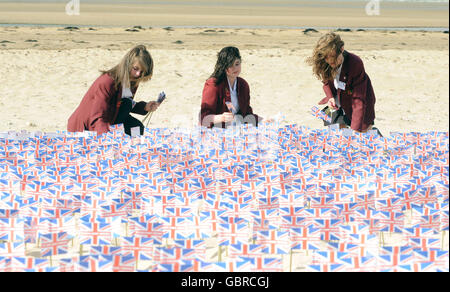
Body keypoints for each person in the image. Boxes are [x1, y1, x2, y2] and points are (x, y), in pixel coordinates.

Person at [68, 45, 160, 136]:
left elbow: (124, 103)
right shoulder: (107, 81)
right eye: (135, 69)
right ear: (128, 64)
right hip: (86, 126)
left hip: (110, 117)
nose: (138, 74)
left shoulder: (133, 80)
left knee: (136, 127)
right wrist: (107, 139)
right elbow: (98, 116)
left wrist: (144, 107)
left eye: (142, 72)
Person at [307, 32, 376, 133]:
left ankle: (374, 133)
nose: (330, 61)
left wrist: (355, 129)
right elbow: (326, 83)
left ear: (342, 49)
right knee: (341, 138)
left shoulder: (355, 63)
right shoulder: (324, 61)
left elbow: (359, 99)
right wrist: (330, 97)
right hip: (339, 102)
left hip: (360, 102)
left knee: (362, 135)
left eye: (333, 58)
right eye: (327, 58)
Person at [200, 46, 262, 128]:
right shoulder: (213, 85)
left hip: (235, 130)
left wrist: (261, 120)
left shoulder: (243, 85)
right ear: (223, 66)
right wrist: (220, 118)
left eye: (237, 64)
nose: (235, 68)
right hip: (215, 131)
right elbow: (204, 118)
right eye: (230, 65)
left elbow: (247, 114)